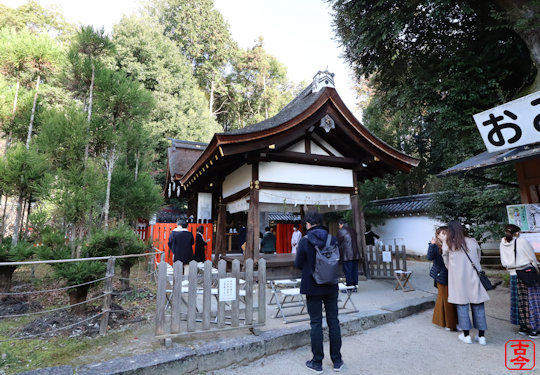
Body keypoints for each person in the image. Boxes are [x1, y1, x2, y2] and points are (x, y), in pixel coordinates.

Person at [295, 211, 344, 373]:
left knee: (316, 323)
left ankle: (317, 362)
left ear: (308, 223)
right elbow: (338, 259)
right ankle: (337, 361)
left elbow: (299, 263)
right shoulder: (333, 239)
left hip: (312, 285)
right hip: (331, 285)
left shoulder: (305, 241)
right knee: (333, 322)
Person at [442, 220, 489, 345]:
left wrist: (453, 269)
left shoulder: (448, 244)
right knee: (478, 305)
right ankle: (482, 336)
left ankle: (466, 335)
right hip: (473, 277)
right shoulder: (472, 242)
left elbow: (446, 261)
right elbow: (478, 258)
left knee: (462, 306)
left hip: (458, 279)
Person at [500, 224, 539, 338]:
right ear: (517, 233)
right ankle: (533, 329)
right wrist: (535, 269)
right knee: (531, 302)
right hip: (526, 273)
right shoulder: (522, 242)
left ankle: (523, 327)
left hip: (513, 274)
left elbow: (504, 262)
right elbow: (532, 257)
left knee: (519, 303)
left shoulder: (503, 243)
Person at [427, 226, 457, 331]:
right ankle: (449, 323)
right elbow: (429, 257)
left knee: (450, 298)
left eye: (446, 233)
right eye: (441, 233)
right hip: (441, 274)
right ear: (437, 235)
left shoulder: (451, 244)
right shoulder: (435, 245)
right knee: (445, 297)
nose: (444, 235)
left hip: (452, 274)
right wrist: (432, 245)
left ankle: (448, 321)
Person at [337, 218, 360, 290]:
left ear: (341, 224)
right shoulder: (353, 230)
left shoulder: (341, 231)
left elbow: (337, 242)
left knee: (348, 271)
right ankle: (355, 286)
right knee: (354, 271)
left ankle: (349, 287)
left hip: (347, 255)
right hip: (355, 254)